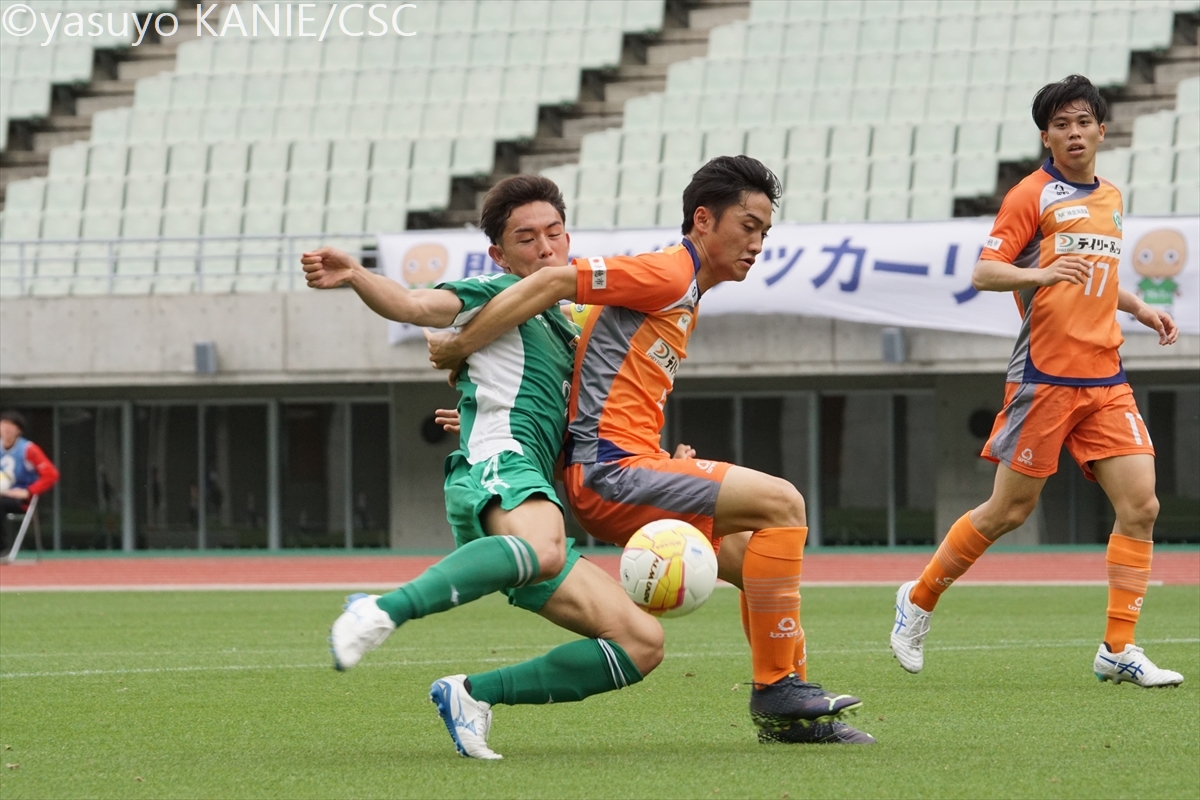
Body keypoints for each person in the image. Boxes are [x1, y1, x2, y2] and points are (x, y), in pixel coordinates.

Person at [427, 156, 873, 744]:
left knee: (751, 561)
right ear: (703, 220)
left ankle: (787, 713)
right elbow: (555, 282)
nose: (758, 244)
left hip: (628, 467)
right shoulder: (668, 272)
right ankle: (777, 688)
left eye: (765, 232)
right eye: (748, 226)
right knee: (783, 503)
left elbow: (577, 384)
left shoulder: (682, 292)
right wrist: (460, 345)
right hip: (612, 473)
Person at [301, 175, 665, 760]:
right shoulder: (495, 293)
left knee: (641, 642)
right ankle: (379, 610)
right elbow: (417, 306)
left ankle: (472, 695)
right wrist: (358, 276)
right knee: (545, 547)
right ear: (500, 255)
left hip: (527, 486)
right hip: (503, 466)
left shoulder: (566, 326)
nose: (544, 248)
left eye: (554, 233)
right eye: (526, 238)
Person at [889, 75, 1183, 688]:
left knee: (1141, 505)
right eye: (1061, 125)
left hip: (1105, 376)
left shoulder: (1111, 195)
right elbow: (985, 272)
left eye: (1083, 122)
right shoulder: (1031, 195)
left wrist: (1138, 307)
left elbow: (1096, 273)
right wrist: (1041, 275)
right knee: (1009, 511)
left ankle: (1118, 648)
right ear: (1046, 137)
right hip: (1044, 376)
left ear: (1102, 130)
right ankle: (917, 599)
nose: (1073, 133)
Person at [0, 410, 60, 556]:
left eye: (11, 425)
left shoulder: (28, 449)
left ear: (19, 430)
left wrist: (28, 491)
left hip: (20, 500)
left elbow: (51, 474)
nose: (6, 429)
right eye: (4, 424)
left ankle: (2, 548)